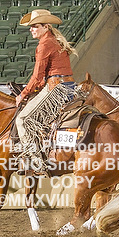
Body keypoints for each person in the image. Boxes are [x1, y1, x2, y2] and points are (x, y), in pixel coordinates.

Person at [15, 9, 77, 174]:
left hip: (57, 89)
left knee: (22, 120)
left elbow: (37, 76)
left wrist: (23, 94)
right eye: (31, 26)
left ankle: (36, 161)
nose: (31, 29)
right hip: (68, 86)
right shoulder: (54, 40)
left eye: (35, 26)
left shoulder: (44, 44)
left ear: (45, 26)